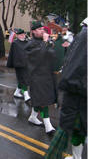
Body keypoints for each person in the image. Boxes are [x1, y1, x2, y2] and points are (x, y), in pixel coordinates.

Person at [45, 18, 87, 159]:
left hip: (79, 95)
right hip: (79, 94)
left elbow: (73, 70)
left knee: (79, 130)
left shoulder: (83, 36)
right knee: (79, 131)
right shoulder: (84, 36)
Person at [24, 21, 56, 134]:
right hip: (36, 77)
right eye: (39, 29)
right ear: (33, 31)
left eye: (43, 29)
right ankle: (48, 126)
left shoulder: (43, 42)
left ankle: (33, 117)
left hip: (47, 75)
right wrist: (45, 43)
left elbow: (51, 55)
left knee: (39, 98)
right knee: (43, 100)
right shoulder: (30, 44)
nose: (42, 31)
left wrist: (51, 44)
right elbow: (38, 58)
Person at [7, 29, 31, 102]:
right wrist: (10, 64)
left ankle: (17, 92)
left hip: (27, 63)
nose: (23, 36)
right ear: (17, 35)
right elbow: (12, 54)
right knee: (23, 79)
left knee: (24, 78)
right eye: (21, 34)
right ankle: (26, 94)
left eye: (23, 34)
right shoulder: (15, 43)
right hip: (19, 64)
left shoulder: (27, 42)